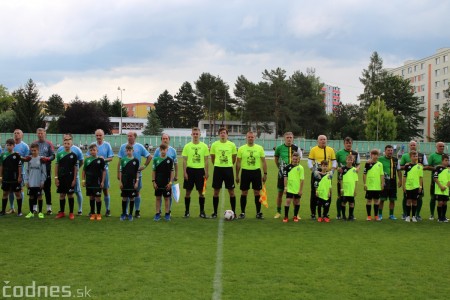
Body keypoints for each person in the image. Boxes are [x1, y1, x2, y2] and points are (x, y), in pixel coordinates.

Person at [117, 131, 152, 218]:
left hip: (136, 176)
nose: (129, 137)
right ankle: (125, 212)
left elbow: (149, 156)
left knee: (137, 192)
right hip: (125, 176)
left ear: (135, 137)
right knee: (126, 193)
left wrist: (144, 166)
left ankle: (137, 211)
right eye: (128, 136)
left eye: (131, 136)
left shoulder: (139, 146)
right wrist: (118, 173)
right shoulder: (122, 147)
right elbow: (120, 161)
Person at [236, 131, 267, 219]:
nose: (250, 138)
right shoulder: (241, 149)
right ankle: (242, 213)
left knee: (257, 192)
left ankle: (258, 212)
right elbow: (238, 163)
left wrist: (265, 174)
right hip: (245, 172)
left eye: (252, 137)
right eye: (249, 137)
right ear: (246, 138)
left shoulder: (259, 148)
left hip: (256, 172)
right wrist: (237, 175)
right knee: (244, 192)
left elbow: (264, 161)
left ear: (255, 138)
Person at [181, 127, 209, 218]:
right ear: (191, 135)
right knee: (188, 192)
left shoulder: (204, 146)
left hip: (200, 171)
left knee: (201, 192)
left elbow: (206, 161)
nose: (195, 135)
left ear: (200, 135)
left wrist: (206, 172)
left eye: (197, 134)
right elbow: (184, 160)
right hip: (190, 171)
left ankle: (202, 212)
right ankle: (187, 212)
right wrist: (185, 172)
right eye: (194, 134)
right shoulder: (187, 146)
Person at [210, 127, 237, 218]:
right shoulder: (214, 145)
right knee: (216, 191)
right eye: (221, 133)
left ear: (227, 134)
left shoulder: (232, 145)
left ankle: (234, 212)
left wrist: (229, 164)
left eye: (224, 133)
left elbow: (234, 158)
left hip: (228, 169)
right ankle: (215, 212)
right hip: (218, 169)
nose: (222, 134)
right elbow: (212, 157)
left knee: (231, 192)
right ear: (219, 134)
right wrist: (217, 164)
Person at [307, 135, 336, 219]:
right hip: (316, 174)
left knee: (328, 193)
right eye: (321, 139)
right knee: (314, 193)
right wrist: (314, 171)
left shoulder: (331, 150)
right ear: (318, 141)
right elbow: (309, 161)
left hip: (327, 174)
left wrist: (332, 171)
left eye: (324, 139)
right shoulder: (313, 149)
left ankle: (325, 213)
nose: (323, 141)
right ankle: (313, 213)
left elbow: (334, 162)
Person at [87, 129, 114, 217]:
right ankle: (93, 211)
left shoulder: (107, 145)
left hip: (103, 172)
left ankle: (107, 209)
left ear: (103, 136)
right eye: (97, 135)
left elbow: (111, 158)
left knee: (105, 190)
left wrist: (103, 160)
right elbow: (87, 156)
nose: (98, 137)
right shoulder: (93, 145)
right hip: (93, 173)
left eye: (100, 135)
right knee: (93, 192)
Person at [274, 132, 301, 218]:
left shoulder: (296, 148)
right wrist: (281, 169)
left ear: (293, 138)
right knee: (280, 193)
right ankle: (278, 212)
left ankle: (296, 214)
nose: (289, 139)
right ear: (284, 138)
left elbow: (299, 160)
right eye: (287, 137)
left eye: (290, 137)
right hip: (282, 175)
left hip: (294, 176)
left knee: (295, 195)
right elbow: (276, 159)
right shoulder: (279, 148)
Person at [399, 140, 428, 220]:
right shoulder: (405, 155)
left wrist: (420, 166)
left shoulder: (422, 155)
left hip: (418, 181)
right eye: (411, 145)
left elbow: (426, 166)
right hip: (408, 182)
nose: (413, 146)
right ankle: (405, 214)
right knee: (406, 198)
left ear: (417, 146)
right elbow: (400, 167)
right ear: (409, 146)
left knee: (419, 197)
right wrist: (406, 165)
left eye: (414, 145)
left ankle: (417, 214)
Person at [57, 133, 84, 215]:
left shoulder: (77, 150)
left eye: (68, 139)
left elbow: (81, 161)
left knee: (77, 192)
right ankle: (62, 211)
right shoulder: (60, 150)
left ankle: (80, 209)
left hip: (73, 175)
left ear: (71, 140)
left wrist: (75, 171)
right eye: (64, 139)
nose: (66, 140)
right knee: (62, 193)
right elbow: (58, 164)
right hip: (63, 176)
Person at [335, 137, 360, 219]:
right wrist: (337, 168)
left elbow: (358, 164)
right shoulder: (339, 153)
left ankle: (351, 215)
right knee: (340, 196)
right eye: (347, 143)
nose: (348, 144)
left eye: (350, 143)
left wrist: (357, 168)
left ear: (352, 143)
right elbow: (334, 162)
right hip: (341, 178)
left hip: (352, 178)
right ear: (344, 143)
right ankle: (339, 214)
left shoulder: (355, 153)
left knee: (351, 195)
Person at [5, 129, 30, 214]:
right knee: (10, 191)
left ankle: (20, 208)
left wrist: (20, 157)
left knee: (20, 190)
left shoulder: (25, 146)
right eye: (15, 133)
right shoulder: (9, 145)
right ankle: (12, 208)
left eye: (18, 133)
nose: (16, 134)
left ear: (22, 135)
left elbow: (28, 158)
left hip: (20, 172)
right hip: (9, 173)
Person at [153, 133, 178, 213]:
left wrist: (176, 175)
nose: (165, 140)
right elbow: (155, 165)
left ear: (169, 140)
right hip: (159, 178)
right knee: (158, 195)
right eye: (163, 138)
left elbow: (175, 164)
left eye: (166, 138)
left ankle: (168, 211)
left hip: (169, 177)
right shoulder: (157, 150)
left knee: (168, 195)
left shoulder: (173, 151)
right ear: (161, 140)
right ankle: (158, 211)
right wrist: (154, 180)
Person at [54, 137, 78, 220]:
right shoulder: (60, 154)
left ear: (71, 145)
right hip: (61, 178)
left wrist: (74, 179)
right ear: (63, 144)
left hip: (70, 178)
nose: (67, 145)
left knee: (70, 195)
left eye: (68, 144)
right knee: (62, 194)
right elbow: (56, 166)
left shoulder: (74, 155)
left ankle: (71, 213)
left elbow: (75, 168)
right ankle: (62, 212)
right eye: (65, 144)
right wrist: (56, 178)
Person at [34, 128, 55, 215]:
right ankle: (35, 208)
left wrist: (47, 159)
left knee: (47, 189)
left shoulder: (49, 143)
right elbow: (29, 154)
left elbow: (53, 156)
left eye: (42, 133)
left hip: (46, 170)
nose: (40, 135)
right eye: (39, 133)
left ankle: (49, 208)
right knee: (35, 189)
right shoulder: (34, 144)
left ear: (45, 134)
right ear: (37, 134)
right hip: (36, 170)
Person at [82, 144, 106, 221]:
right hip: (89, 182)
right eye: (91, 150)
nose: (93, 152)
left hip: (98, 182)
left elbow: (104, 171)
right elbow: (84, 170)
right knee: (91, 197)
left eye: (94, 150)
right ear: (89, 151)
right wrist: (83, 180)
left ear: (97, 151)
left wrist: (102, 181)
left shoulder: (101, 160)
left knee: (98, 198)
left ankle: (98, 213)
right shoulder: (87, 160)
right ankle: (92, 213)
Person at [378, 145, 402, 220]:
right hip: (384, 182)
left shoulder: (395, 160)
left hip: (393, 182)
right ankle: (380, 215)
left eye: (391, 150)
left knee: (392, 199)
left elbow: (398, 170)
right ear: (385, 151)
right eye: (388, 150)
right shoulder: (380, 159)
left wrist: (400, 180)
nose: (390, 152)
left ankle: (391, 215)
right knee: (382, 199)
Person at [0, 139, 23, 216]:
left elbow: (19, 166)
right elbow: (1, 166)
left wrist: (19, 176)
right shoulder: (3, 155)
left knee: (17, 194)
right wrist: (0, 176)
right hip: (6, 178)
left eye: (10, 145)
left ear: (14, 146)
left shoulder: (17, 155)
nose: (8, 146)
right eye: (7, 145)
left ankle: (19, 211)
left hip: (14, 178)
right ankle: (3, 211)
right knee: (5, 193)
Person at [152, 143, 174, 221]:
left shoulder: (170, 160)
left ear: (167, 150)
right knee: (158, 198)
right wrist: (153, 182)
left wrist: (170, 182)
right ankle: (157, 213)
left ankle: (167, 214)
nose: (163, 151)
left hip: (167, 183)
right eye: (161, 150)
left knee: (167, 198)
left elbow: (172, 172)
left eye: (164, 150)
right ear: (159, 150)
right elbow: (154, 171)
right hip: (158, 182)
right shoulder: (156, 160)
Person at [425, 141, 446, 220]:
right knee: (433, 197)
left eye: (443, 146)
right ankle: (432, 214)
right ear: (436, 147)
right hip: (435, 180)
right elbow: (427, 167)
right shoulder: (432, 156)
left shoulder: (446, 156)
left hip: (444, 181)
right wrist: (436, 167)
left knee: (444, 198)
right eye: (440, 146)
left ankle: (442, 216)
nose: (442, 148)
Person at [24, 143, 47, 219]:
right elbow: (26, 171)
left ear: (38, 150)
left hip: (38, 182)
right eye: (32, 150)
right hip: (30, 182)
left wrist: (42, 181)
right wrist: (26, 181)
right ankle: (31, 212)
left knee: (39, 197)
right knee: (31, 196)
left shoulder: (41, 159)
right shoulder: (28, 159)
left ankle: (40, 212)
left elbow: (44, 172)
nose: (33, 152)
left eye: (35, 150)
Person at [119, 145, 140, 221]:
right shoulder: (123, 160)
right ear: (126, 151)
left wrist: (137, 182)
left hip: (132, 182)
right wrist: (120, 182)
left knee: (132, 198)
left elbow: (137, 172)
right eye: (127, 150)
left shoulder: (136, 161)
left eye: (130, 150)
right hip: (124, 182)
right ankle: (124, 213)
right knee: (124, 197)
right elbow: (121, 172)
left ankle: (130, 214)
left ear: (132, 151)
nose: (128, 152)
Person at [402, 150, 424, 222]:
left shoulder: (420, 166)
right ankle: (408, 216)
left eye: (416, 156)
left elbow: (421, 177)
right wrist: (404, 186)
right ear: (410, 157)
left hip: (416, 186)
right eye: (414, 156)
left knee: (415, 201)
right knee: (408, 201)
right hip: (408, 186)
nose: (415, 157)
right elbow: (404, 176)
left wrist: (420, 186)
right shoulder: (407, 166)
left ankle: (414, 216)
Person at [363, 149, 384, 221]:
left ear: (378, 156)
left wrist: (382, 183)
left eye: (376, 155)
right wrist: (365, 183)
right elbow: (364, 174)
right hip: (369, 186)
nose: (375, 156)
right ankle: (368, 216)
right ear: (371, 155)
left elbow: (382, 175)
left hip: (377, 186)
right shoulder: (367, 163)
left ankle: (376, 216)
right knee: (369, 201)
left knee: (376, 201)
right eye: (373, 154)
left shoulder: (380, 164)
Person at [282, 152, 304, 222]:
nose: (295, 160)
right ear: (292, 158)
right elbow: (285, 178)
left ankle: (295, 216)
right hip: (290, 188)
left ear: (298, 159)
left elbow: (302, 180)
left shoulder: (301, 168)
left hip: (297, 189)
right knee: (288, 201)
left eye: (296, 159)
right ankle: (286, 217)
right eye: (293, 159)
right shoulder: (287, 167)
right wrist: (285, 187)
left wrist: (300, 190)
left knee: (297, 202)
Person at [338, 154, 359, 221]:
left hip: (351, 189)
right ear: (346, 160)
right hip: (345, 189)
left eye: (351, 160)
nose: (350, 161)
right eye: (348, 160)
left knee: (351, 203)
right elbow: (340, 179)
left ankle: (350, 216)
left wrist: (355, 190)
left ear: (353, 161)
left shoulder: (354, 170)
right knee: (343, 202)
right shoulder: (343, 169)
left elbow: (356, 180)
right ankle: (343, 216)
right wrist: (341, 188)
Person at [433, 154, 450, 222]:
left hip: (445, 189)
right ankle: (439, 217)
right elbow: (435, 178)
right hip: (439, 189)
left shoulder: (448, 170)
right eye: (446, 160)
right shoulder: (438, 168)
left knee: (445, 203)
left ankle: (443, 217)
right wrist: (440, 186)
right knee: (440, 203)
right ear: (442, 161)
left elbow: (449, 180)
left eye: (448, 160)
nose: (447, 162)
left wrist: (445, 187)